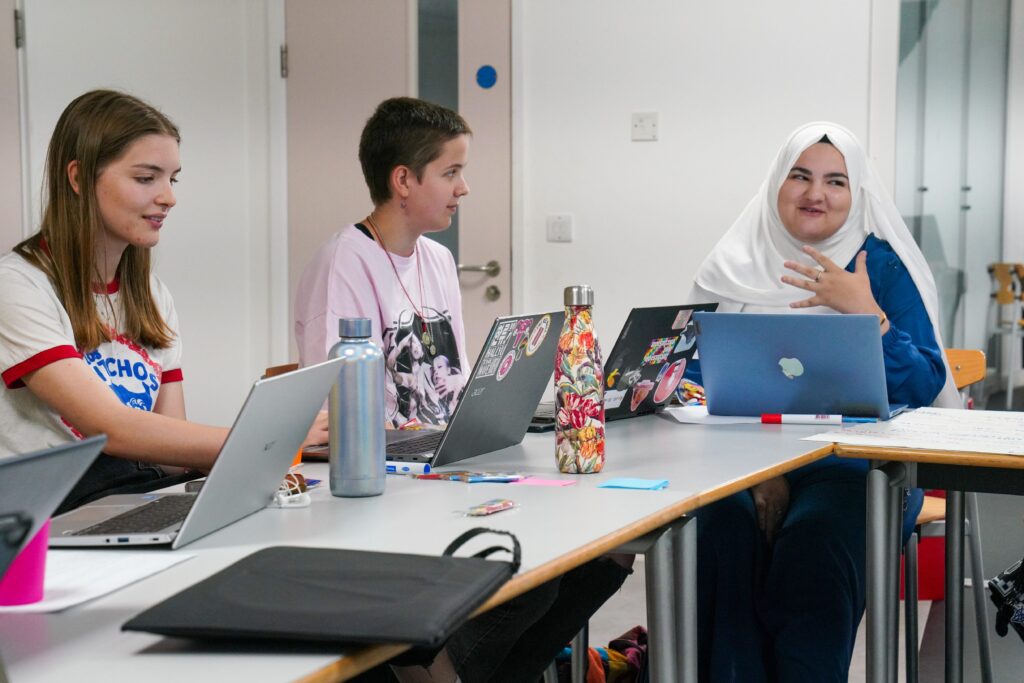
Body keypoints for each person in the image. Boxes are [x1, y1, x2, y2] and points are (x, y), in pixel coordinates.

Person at [295, 97, 631, 683]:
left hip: (446, 469)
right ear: (403, 180)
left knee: (597, 557)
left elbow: (454, 387)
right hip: (386, 485)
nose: (464, 188)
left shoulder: (438, 260)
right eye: (451, 173)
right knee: (525, 579)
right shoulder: (344, 264)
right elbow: (338, 416)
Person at [687, 121, 960, 682]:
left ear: (857, 193)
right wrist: (759, 469)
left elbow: (925, 385)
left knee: (815, 549)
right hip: (738, 463)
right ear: (775, 184)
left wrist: (868, 315)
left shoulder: (877, 266)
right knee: (719, 534)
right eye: (801, 176)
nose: (816, 194)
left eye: (836, 181)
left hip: (860, 463)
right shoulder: (732, 263)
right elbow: (691, 384)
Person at [0, 90, 327, 513]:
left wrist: (271, 460)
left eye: (172, 179)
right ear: (78, 178)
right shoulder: (18, 285)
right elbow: (111, 429)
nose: (168, 197)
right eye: (145, 178)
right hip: (57, 512)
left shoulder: (152, 295)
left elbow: (170, 451)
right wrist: (268, 440)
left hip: (133, 497)